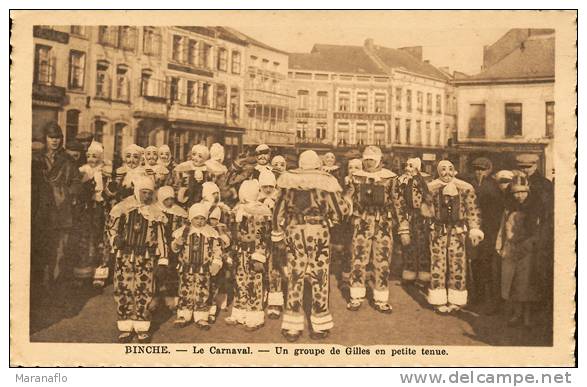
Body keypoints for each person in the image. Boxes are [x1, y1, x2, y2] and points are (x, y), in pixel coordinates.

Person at [272, 150, 352, 341]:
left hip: (294, 231)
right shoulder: (325, 182)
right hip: (318, 232)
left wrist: (277, 234)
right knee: (320, 277)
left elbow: (277, 211)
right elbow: (341, 212)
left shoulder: (288, 182)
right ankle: (319, 324)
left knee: (295, 276)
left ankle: (292, 326)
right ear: (317, 164)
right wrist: (348, 199)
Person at [107, 175, 169, 343]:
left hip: (146, 257)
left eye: (150, 193)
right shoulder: (123, 208)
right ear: (136, 191)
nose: (147, 197)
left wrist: (163, 259)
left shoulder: (156, 213)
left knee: (144, 290)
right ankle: (126, 326)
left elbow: (162, 238)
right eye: (144, 192)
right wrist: (115, 239)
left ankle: (142, 326)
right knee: (124, 289)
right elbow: (111, 228)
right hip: (125, 256)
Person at [347, 146, 407, 313]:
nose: (369, 162)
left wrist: (403, 226)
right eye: (366, 159)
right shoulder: (356, 177)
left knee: (382, 261)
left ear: (379, 160)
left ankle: (381, 298)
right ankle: (356, 296)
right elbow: (348, 197)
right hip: (362, 222)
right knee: (358, 259)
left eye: (372, 159)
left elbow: (398, 202)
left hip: (383, 224)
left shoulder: (390, 178)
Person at [426, 160, 483, 313]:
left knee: (458, 263)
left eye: (450, 169)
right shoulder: (431, 188)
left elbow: (473, 210)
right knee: (437, 263)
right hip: (438, 230)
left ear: (455, 171)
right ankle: (438, 299)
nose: (447, 173)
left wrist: (475, 229)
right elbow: (425, 208)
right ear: (438, 171)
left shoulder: (465, 188)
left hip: (458, 231)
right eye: (443, 169)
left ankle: (456, 299)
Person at [33, 122, 82, 287]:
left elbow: (76, 181)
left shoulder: (67, 159)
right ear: (45, 138)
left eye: (58, 138)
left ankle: (55, 283)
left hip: (61, 209)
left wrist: (69, 195)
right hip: (41, 209)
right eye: (51, 138)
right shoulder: (36, 159)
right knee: (41, 246)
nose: (55, 141)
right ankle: (40, 282)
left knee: (60, 248)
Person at [496, 172, 542, 327]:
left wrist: (531, 242)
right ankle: (517, 313)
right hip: (511, 247)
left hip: (529, 247)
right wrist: (502, 244)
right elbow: (503, 227)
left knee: (526, 283)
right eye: (515, 192)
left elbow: (537, 230)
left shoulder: (534, 208)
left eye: (522, 192)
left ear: (527, 191)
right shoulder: (509, 208)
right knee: (513, 281)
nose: (519, 195)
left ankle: (527, 317)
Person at [226, 180, 272, 331]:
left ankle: (254, 315)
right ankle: (240, 311)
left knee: (254, 282)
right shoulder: (238, 210)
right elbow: (233, 232)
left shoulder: (260, 211)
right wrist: (233, 250)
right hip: (241, 251)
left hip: (254, 252)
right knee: (240, 281)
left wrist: (259, 254)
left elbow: (262, 234)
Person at [172, 202, 223, 330]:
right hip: (186, 268)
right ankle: (184, 314)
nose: (200, 221)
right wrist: (177, 244)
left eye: (202, 218)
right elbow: (175, 248)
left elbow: (217, 250)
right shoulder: (184, 232)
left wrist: (216, 263)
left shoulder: (211, 234)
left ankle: (201, 316)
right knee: (185, 290)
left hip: (203, 268)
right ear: (191, 218)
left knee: (202, 290)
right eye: (196, 218)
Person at [515, 153, 554, 306]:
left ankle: (541, 304)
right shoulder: (517, 181)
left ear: (536, 166)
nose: (525, 170)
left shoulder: (544, 184)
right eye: (522, 168)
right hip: (521, 228)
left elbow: (547, 210)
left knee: (539, 266)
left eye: (528, 167)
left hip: (539, 229)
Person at [72, 141, 108, 287]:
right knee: (84, 238)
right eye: (90, 156)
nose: (92, 159)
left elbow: (109, 189)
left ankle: (99, 274)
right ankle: (83, 272)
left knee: (99, 237)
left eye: (95, 156)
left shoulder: (105, 171)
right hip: (85, 208)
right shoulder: (82, 170)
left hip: (100, 207)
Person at [397, 157, 431, 286]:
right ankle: (409, 272)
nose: (407, 168)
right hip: (407, 214)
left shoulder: (423, 180)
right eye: (407, 165)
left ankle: (423, 274)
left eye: (411, 166)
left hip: (420, 216)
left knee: (422, 245)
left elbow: (427, 196)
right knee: (407, 244)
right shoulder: (402, 180)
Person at [156, 185, 188, 311]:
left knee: (172, 271)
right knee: (158, 271)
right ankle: (156, 298)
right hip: (159, 245)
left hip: (174, 245)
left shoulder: (179, 211)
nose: (169, 202)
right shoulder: (155, 210)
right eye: (166, 199)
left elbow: (185, 228)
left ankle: (172, 300)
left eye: (171, 199)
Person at [257, 170, 283, 319]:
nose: (267, 189)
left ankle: (275, 301)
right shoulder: (256, 199)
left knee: (274, 269)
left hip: (273, 237)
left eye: (270, 186)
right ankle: (260, 295)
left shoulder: (278, 200)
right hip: (260, 238)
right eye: (264, 186)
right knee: (259, 267)